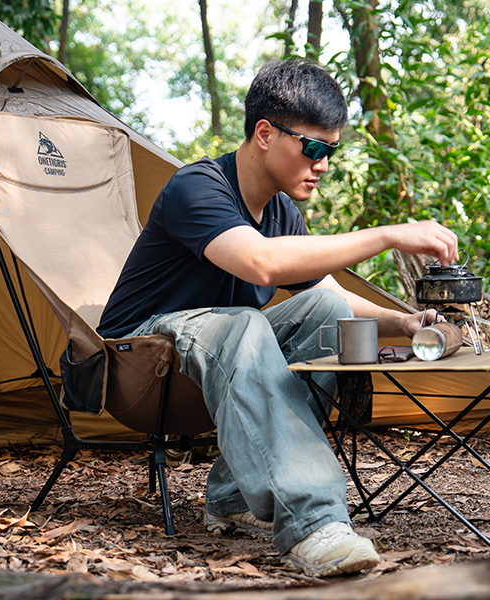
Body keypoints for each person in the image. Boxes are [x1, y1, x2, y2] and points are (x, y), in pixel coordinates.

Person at [96, 59, 457, 577]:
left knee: (328, 311)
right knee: (245, 323)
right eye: (313, 147)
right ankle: (313, 523)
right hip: (139, 363)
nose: (323, 164)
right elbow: (259, 261)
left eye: (331, 150)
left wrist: (403, 323)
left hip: (208, 361)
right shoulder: (197, 187)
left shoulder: (283, 211)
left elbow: (328, 291)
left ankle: (233, 497)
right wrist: (387, 234)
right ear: (265, 133)